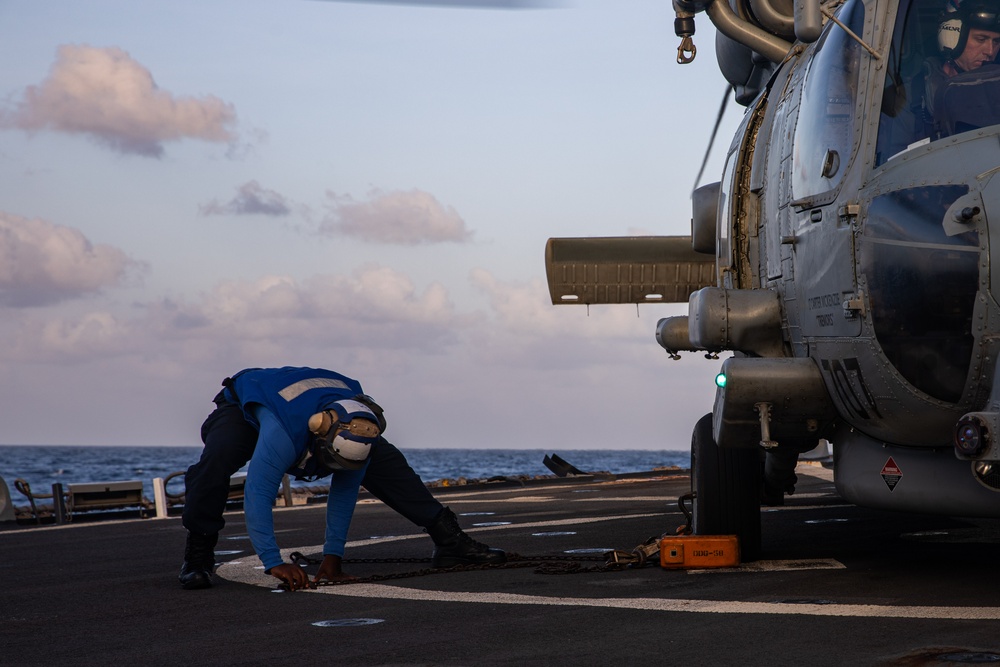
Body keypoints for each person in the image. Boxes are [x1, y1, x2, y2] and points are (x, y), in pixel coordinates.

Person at [179, 366, 506, 590]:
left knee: (392, 468)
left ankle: (450, 541)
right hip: (250, 405)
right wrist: (271, 561)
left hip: (318, 407)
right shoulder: (284, 433)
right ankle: (198, 555)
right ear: (320, 438)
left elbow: (345, 490)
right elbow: (258, 491)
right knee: (214, 465)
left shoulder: (362, 430)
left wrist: (332, 560)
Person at [922, 0, 1000, 121]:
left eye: (996, 41)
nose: (990, 51)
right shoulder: (914, 94)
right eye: (980, 39)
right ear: (951, 38)